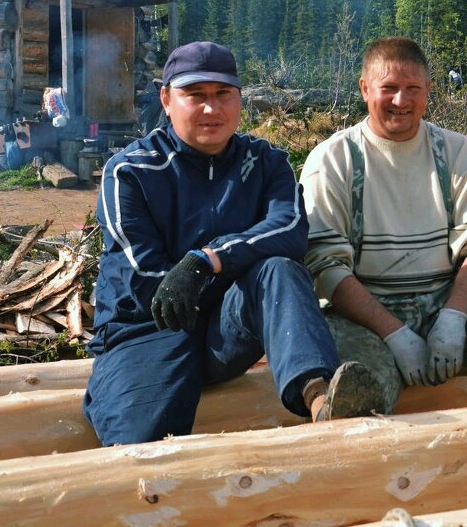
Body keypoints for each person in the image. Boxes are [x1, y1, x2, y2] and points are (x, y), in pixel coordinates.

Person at [85, 41, 346, 446]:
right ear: (167, 100)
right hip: (147, 331)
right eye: (196, 96)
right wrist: (214, 263)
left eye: (223, 94)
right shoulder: (131, 171)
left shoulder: (265, 162)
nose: (212, 109)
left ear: (239, 100)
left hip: (226, 328)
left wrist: (207, 259)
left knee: (279, 270)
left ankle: (322, 401)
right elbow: (150, 280)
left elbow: (290, 231)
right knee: (140, 449)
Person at [301, 37, 467, 416]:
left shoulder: (458, 153)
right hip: (365, 317)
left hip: (448, 303)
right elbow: (324, 264)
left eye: (413, 89)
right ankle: (354, 428)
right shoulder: (332, 159)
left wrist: (455, 316)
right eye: (388, 88)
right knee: (353, 374)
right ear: (364, 89)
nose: (401, 101)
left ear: (428, 91)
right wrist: (393, 332)